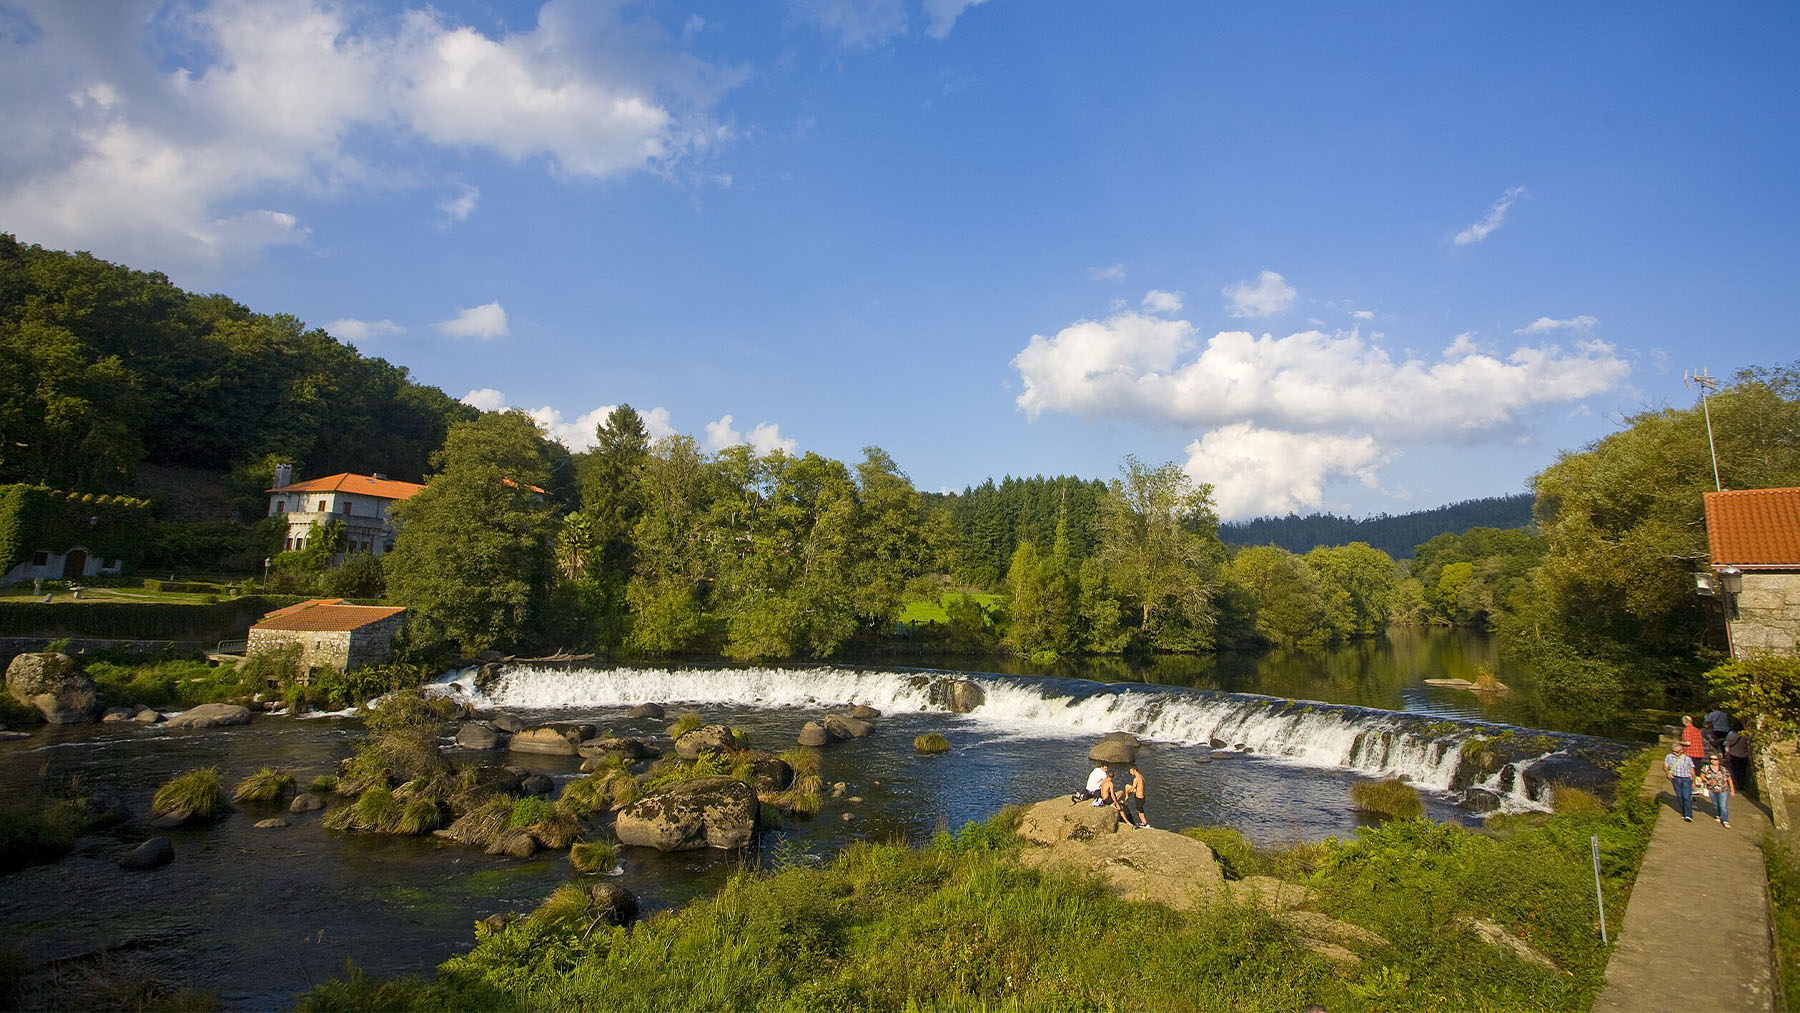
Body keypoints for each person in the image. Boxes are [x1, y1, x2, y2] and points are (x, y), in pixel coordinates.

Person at [1699, 753, 1735, 828]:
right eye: (1711, 759)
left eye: (1715, 759)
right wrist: (1706, 781)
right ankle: (1718, 815)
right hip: (1712, 789)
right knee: (1716, 805)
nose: (1713, 761)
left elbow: (1729, 779)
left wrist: (1732, 790)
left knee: (1723, 805)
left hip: (1723, 789)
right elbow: (1702, 776)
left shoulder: (1723, 769)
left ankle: (1725, 820)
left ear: (1719, 760)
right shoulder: (1706, 768)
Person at [1665, 740, 1696, 822]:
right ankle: (1684, 811)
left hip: (1686, 779)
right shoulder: (1669, 756)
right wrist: (1667, 773)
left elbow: (1692, 771)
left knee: (1686, 796)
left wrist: (1694, 782)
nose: (1675, 753)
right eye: (1673, 751)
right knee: (1680, 796)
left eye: (1677, 752)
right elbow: (1666, 766)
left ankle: (1688, 815)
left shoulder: (1687, 759)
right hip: (1675, 778)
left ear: (1681, 751)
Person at [1725, 728, 1752, 794]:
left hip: (1734, 754)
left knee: (1735, 770)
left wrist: (1727, 754)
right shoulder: (1746, 735)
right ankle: (1741, 783)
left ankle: (1736, 784)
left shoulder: (1731, 735)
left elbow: (1727, 745)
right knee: (1742, 770)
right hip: (1744, 755)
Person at [1125, 763, 1149, 828]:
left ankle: (1145, 824)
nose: (1130, 773)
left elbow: (1132, 789)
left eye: (1131, 771)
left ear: (1134, 770)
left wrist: (1127, 792)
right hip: (1142, 796)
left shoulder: (1136, 779)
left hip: (1139, 798)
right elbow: (1142, 785)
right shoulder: (1141, 776)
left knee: (1140, 812)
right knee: (1127, 786)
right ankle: (1144, 823)